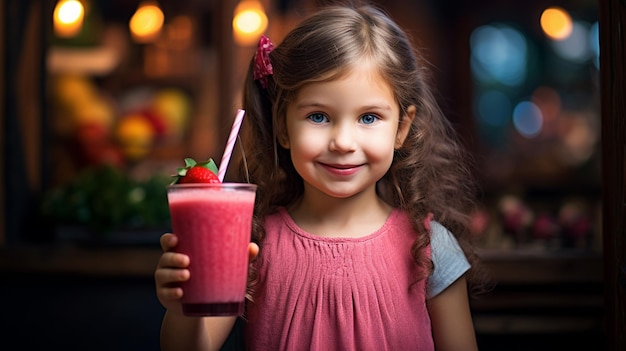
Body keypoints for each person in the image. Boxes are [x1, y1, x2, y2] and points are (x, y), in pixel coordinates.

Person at [155, 3, 487, 350]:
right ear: (282, 125)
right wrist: (183, 307)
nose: (343, 142)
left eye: (369, 118)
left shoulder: (429, 247)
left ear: (401, 128)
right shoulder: (252, 244)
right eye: (318, 116)